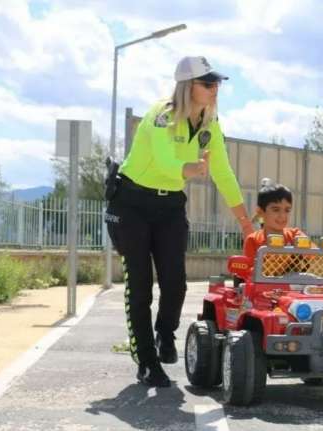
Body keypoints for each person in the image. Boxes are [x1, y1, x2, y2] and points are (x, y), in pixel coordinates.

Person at [105, 56, 254, 387]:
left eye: (217, 83)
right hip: (132, 203)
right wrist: (188, 169)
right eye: (208, 83)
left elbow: (223, 171)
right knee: (139, 286)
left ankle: (165, 332)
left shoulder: (210, 123)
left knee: (176, 282)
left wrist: (244, 221)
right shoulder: (163, 115)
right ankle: (146, 362)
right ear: (189, 87)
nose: (216, 88)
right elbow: (162, 159)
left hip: (170, 205)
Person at [243, 181, 310, 270]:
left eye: (287, 210)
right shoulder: (253, 240)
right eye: (276, 210)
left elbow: (314, 256)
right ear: (260, 211)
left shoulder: (295, 235)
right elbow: (249, 272)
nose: (282, 216)